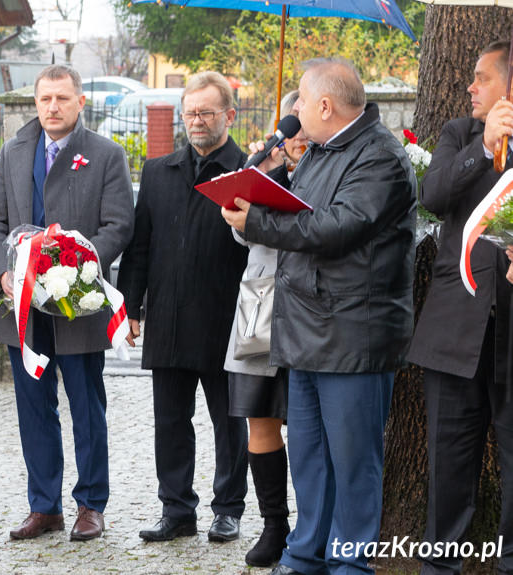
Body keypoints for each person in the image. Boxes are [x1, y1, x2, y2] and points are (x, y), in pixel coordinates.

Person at [222, 58, 416, 575]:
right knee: (309, 456)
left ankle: (351, 564)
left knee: (354, 464)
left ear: (325, 105)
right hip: (304, 329)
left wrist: (260, 221)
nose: (297, 113)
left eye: (302, 103)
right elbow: (296, 214)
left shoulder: (381, 157)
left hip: (354, 335)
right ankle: (306, 554)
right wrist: (254, 191)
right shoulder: (320, 152)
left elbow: (336, 228)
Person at [0, 64, 134, 542]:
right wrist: (4, 272)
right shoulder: (14, 150)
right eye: (45, 99)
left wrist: (79, 267)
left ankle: (91, 503)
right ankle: (43, 506)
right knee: (33, 408)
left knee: (87, 407)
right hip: (22, 305)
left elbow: (118, 225)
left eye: (62, 99)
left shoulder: (106, 155)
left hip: (78, 305)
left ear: (80, 101)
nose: (52, 107)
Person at [117, 71, 249, 544]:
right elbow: (140, 248)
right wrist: (130, 307)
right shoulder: (158, 171)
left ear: (229, 116)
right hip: (168, 318)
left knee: (229, 422)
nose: (195, 121)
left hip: (224, 319)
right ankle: (176, 509)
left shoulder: (247, 172)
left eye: (206, 112)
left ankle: (228, 508)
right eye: (189, 112)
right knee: (170, 421)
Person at [407, 40, 513, 574]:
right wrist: (485, 145)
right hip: (454, 329)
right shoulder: (459, 134)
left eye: (482, 78)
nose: (470, 86)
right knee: (448, 460)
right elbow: (433, 195)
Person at [224, 90, 305, 569]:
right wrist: (266, 171)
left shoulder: (332, 169)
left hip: (312, 310)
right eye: (288, 129)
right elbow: (239, 229)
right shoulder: (269, 167)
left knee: (311, 420)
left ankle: (315, 520)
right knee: (259, 416)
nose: (295, 138)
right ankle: (274, 523)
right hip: (260, 303)